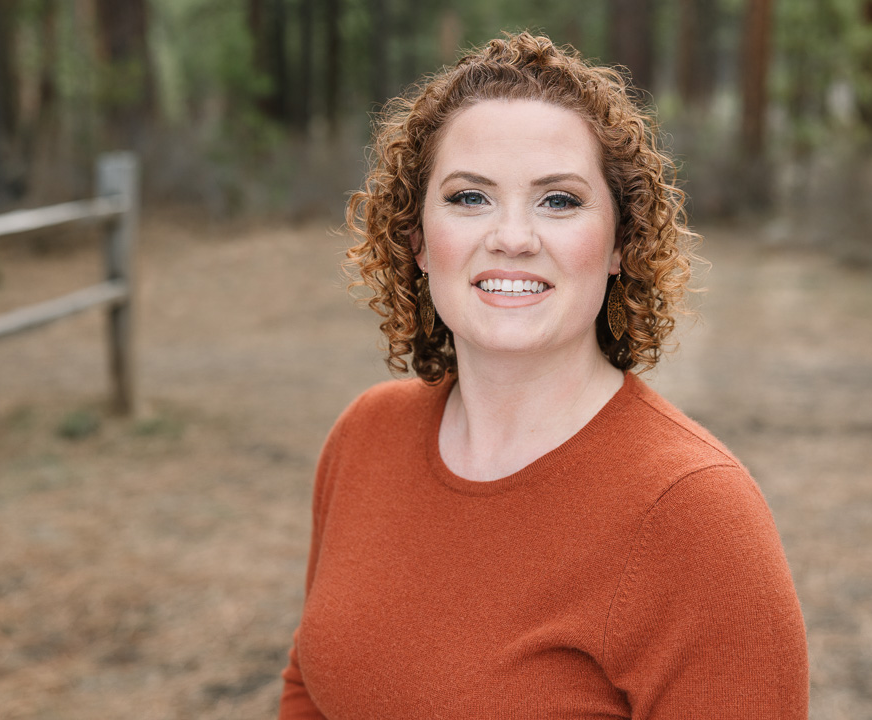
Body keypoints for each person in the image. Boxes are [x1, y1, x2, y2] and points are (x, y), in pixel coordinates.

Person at [279, 32, 808, 719]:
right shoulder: (364, 436)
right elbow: (309, 689)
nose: (513, 236)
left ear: (621, 242)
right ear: (415, 239)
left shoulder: (695, 516)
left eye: (558, 201)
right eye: (470, 198)